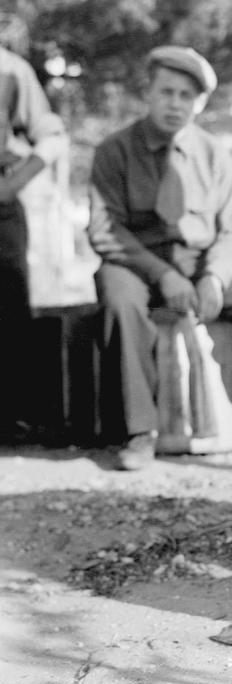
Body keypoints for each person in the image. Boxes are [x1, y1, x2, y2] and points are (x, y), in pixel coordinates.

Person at [87, 46, 232, 470]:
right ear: (148, 94)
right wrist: (163, 276)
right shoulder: (114, 151)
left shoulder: (213, 153)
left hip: (200, 261)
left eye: (186, 96)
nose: (175, 104)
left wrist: (215, 277)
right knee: (119, 303)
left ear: (200, 102)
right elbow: (105, 228)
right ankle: (137, 433)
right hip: (134, 260)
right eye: (167, 92)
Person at [0, 15, 68, 441]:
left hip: (1, 210)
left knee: (8, 314)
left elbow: (52, 137)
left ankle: (13, 422)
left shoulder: (10, 71)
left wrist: (12, 186)